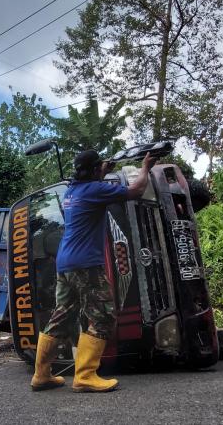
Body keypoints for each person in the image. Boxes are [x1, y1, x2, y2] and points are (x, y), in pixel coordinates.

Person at [31, 149, 155, 392]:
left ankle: (41, 375)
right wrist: (145, 167)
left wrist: (100, 172)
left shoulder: (72, 192)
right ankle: (85, 375)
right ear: (96, 169)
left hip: (65, 263)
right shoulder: (96, 190)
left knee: (62, 316)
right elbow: (137, 190)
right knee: (103, 315)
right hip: (86, 264)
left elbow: (91, 191)